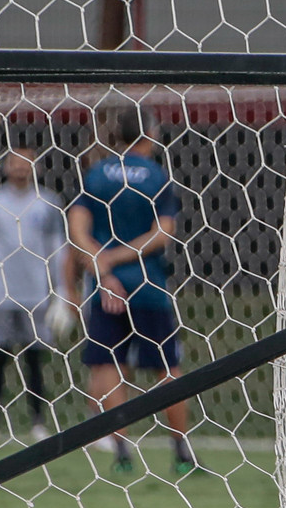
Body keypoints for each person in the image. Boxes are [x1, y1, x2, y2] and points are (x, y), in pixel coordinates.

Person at [68, 107, 197, 476]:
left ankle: (122, 452)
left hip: (107, 288)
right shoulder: (157, 175)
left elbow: (77, 227)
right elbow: (164, 231)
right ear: (152, 134)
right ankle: (181, 452)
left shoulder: (95, 173)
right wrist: (125, 255)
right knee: (167, 368)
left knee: (110, 366)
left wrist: (104, 264)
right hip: (149, 286)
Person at [0, 147, 68, 446]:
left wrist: (61, 291)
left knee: (35, 359)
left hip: (37, 294)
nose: (21, 168)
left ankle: (38, 422)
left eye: (27, 163)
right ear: (6, 167)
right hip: (2, 293)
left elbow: (57, 248)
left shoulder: (48, 203)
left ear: (35, 168)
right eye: (15, 163)